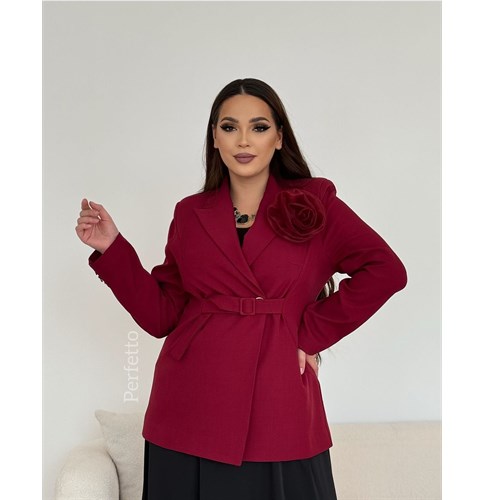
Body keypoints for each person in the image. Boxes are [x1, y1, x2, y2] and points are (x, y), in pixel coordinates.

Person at [75, 78, 407, 500]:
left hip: (277, 398)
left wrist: (309, 334)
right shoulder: (191, 214)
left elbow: (386, 271)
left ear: (279, 137)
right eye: (230, 127)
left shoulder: (315, 203)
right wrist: (112, 249)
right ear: (214, 138)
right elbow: (162, 315)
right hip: (189, 397)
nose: (244, 140)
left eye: (259, 127)